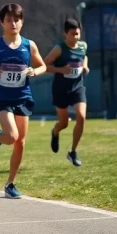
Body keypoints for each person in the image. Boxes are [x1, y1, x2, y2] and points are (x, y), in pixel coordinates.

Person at [0, 4, 47, 199]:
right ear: (2, 22)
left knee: (20, 142)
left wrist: (34, 71)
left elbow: (43, 65)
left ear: (22, 21)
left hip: (23, 96)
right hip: (2, 96)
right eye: (9, 20)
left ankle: (10, 183)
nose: (13, 23)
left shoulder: (29, 45)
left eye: (17, 19)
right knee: (11, 136)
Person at [43, 18, 90, 166]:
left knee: (81, 117)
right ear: (65, 34)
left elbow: (84, 57)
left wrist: (85, 67)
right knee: (64, 123)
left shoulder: (83, 46)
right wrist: (61, 70)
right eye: (73, 34)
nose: (76, 37)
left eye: (78, 34)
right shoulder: (59, 48)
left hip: (77, 87)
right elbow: (45, 65)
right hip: (61, 89)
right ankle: (55, 132)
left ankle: (73, 152)